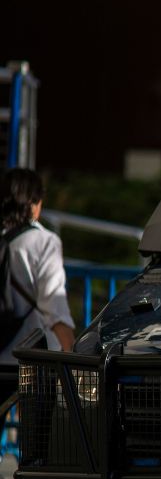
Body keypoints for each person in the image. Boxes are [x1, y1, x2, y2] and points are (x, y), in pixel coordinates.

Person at [0, 168, 75, 401]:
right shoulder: (44, 241)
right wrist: (71, 352)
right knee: (39, 435)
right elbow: (54, 304)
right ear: (34, 204)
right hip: (35, 360)